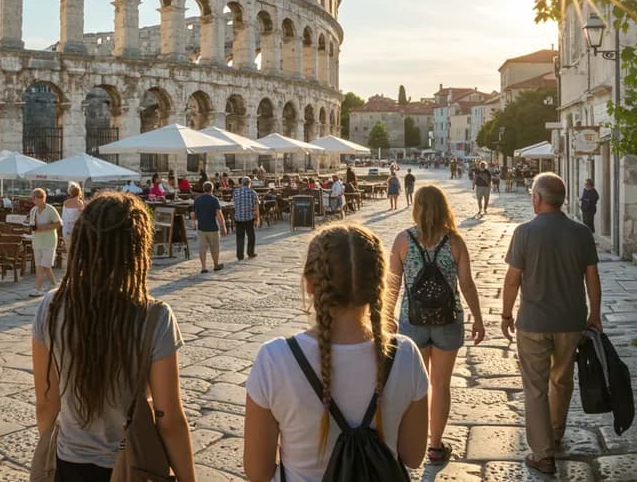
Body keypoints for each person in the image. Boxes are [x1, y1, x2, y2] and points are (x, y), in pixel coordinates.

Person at [244, 225, 429, 481]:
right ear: (379, 284)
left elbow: (257, 471)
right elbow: (413, 455)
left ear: (310, 285)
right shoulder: (405, 354)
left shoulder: (275, 359)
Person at [33, 192, 196, 482]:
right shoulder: (155, 317)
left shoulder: (52, 306)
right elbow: (168, 418)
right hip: (135, 465)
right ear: (138, 248)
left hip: (69, 461)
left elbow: (47, 401)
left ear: (83, 243)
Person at [500, 172, 602, 475]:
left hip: (533, 321)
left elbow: (513, 279)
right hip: (570, 321)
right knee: (561, 379)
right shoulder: (581, 233)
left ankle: (543, 453)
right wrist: (594, 314)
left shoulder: (524, 233)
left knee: (535, 386)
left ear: (537, 198)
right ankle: (555, 433)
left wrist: (506, 314)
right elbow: (592, 277)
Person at [388, 186, 486, 464]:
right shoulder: (455, 241)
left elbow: (393, 285)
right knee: (440, 384)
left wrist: (387, 318)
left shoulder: (403, 241)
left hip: (412, 320)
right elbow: (466, 284)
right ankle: (434, 446)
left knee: (413, 386)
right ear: (444, 208)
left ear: (416, 208)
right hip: (448, 320)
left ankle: (407, 444)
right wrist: (478, 319)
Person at [27, 188, 62, 297]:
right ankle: (55, 285)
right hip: (37, 241)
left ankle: (38, 289)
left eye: (36, 198)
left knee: (43, 266)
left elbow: (58, 224)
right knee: (43, 265)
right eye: (33, 198)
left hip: (49, 241)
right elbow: (32, 224)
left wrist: (44, 227)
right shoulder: (33, 210)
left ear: (42, 198)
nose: (34, 200)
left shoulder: (50, 209)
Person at [191, 181, 228, 273]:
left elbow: (193, 214)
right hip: (212, 227)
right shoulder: (214, 200)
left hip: (201, 227)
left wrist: (194, 222)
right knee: (214, 247)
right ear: (212, 189)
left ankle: (203, 267)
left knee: (202, 248)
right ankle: (215, 265)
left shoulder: (197, 199)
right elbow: (219, 214)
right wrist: (223, 226)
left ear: (203, 189)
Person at [232, 177, 259, 261]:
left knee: (240, 237)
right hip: (248, 218)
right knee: (251, 236)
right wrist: (257, 218)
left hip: (238, 217)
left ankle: (240, 255)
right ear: (249, 183)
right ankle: (250, 252)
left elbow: (234, 202)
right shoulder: (252, 192)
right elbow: (256, 206)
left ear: (242, 183)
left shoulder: (236, 192)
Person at [60, 183, 85, 268]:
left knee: (69, 250)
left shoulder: (66, 203)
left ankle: (69, 266)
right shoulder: (80, 203)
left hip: (66, 229)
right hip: (77, 230)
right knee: (76, 250)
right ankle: (75, 266)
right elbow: (82, 218)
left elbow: (63, 217)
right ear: (79, 193)